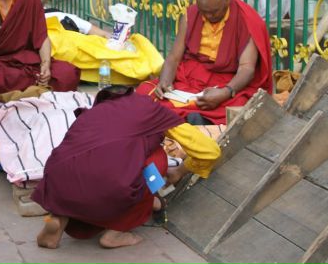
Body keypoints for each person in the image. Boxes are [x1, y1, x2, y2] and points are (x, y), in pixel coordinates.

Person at [32, 85, 220, 250]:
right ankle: (115, 233)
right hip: (108, 185)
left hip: (55, 179)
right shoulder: (152, 109)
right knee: (158, 160)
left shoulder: (94, 112)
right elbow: (209, 151)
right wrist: (179, 171)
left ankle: (55, 220)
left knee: (78, 173)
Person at [136, 0, 273, 125]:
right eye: (204, 12)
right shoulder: (191, 14)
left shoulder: (246, 19)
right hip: (191, 77)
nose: (208, 16)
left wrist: (226, 92)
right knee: (145, 90)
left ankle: (193, 118)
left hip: (227, 80)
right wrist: (165, 81)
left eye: (214, 12)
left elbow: (246, 68)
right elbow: (174, 57)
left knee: (240, 104)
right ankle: (194, 117)